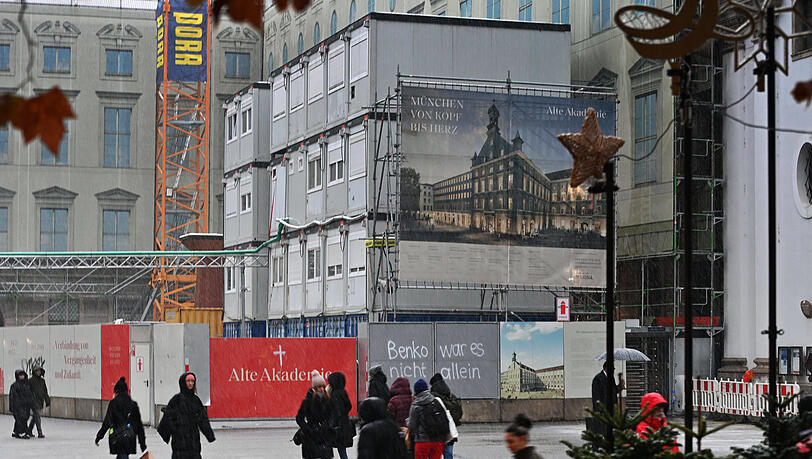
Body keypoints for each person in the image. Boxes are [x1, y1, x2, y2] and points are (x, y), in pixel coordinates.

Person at [157, 372, 215, 459]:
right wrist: (174, 428)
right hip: (179, 441)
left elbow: (203, 419)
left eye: (192, 381)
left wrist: (209, 435)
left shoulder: (196, 400)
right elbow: (168, 418)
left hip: (193, 440)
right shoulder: (176, 400)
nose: (190, 383)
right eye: (188, 381)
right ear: (183, 383)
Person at [95, 377, 147, 459]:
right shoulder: (133, 404)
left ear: (116, 391)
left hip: (117, 437)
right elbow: (139, 425)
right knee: (123, 455)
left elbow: (107, 422)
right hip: (129, 437)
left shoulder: (113, 403)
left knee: (122, 455)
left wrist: (99, 436)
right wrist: (142, 442)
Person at [295, 370, 334, 459]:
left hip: (324, 434)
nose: (322, 389)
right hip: (311, 436)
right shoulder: (307, 401)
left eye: (323, 387)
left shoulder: (327, 399)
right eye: (319, 387)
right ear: (314, 388)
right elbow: (299, 418)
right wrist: (308, 429)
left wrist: (329, 425)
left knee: (325, 455)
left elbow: (331, 414)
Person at [407, 379, 449, 459]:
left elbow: (412, 426)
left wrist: (407, 422)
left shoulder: (415, 405)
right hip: (437, 440)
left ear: (416, 391)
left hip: (422, 441)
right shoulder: (436, 401)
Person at [429, 373, 463, 459]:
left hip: (438, 432)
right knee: (448, 454)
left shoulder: (433, 397)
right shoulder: (451, 395)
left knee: (435, 455)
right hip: (450, 432)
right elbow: (459, 413)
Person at [589, 361, 624, 436]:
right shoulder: (598, 378)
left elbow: (614, 391)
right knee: (603, 429)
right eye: (613, 369)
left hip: (612, 408)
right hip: (603, 408)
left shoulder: (611, 378)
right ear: (606, 368)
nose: (613, 371)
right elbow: (596, 395)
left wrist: (620, 386)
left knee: (611, 428)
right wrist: (597, 409)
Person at [327, 372, 355, 459]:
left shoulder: (335, 394)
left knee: (328, 447)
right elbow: (349, 406)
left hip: (338, 426)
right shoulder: (343, 392)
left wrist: (332, 424)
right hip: (344, 424)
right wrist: (344, 414)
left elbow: (336, 411)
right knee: (342, 449)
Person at [9, 369, 33, 439]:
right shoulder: (14, 385)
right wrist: (13, 406)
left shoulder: (26, 384)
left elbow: (29, 394)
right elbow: (13, 397)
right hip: (18, 406)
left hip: (26, 405)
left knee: (23, 418)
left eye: (23, 375)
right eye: (20, 375)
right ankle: (23, 432)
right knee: (21, 419)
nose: (22, 376)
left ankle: (16, 432)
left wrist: (29, 401)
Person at [28, 366, 50, 438]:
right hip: (33, 401)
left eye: (39, 371)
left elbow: (45, 391)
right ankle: (39, 432)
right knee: (37, 416)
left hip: (40, 400)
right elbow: (28, 391)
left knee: (35, 417)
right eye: (37, 371)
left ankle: (29, 430)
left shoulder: (42, 381)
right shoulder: (30, 380)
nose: (38, 372)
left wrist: (47, 400)